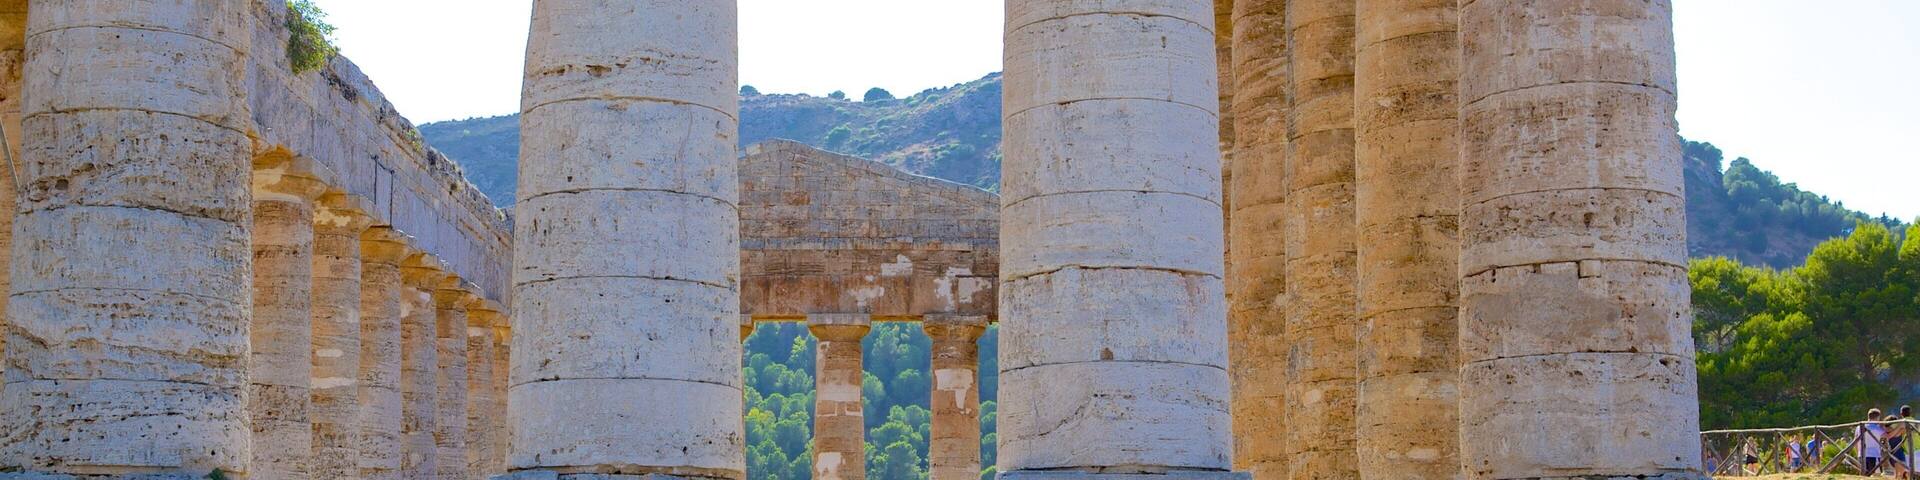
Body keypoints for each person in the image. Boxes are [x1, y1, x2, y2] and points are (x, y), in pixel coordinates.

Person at [1863, 408, 1890, 476]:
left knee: (1865, 475)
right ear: (1877, 417)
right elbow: (1888, 436)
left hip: (1862, 455)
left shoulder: (1859, 427)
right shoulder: (1877, 429)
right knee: (1876, 475)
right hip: (1874, 454)